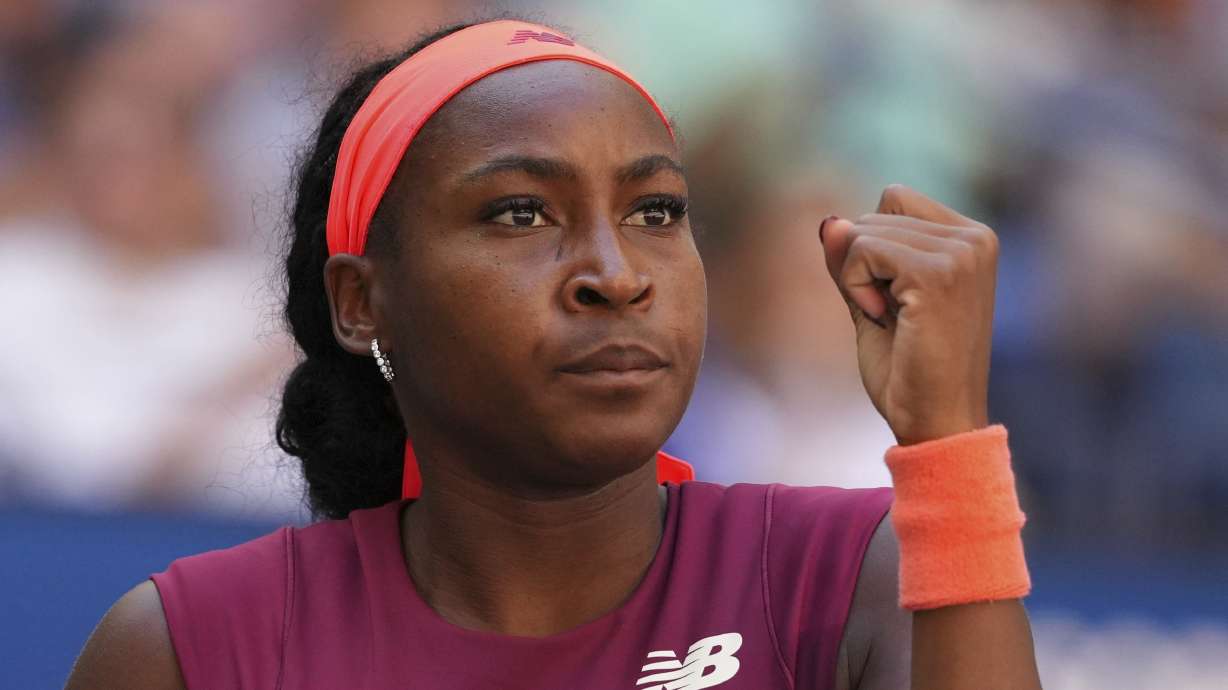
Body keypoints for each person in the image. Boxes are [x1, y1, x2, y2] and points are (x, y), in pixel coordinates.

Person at [65, 19, 1040, 689]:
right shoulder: (189, 649)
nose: (615, 274)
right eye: (521, 213)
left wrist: (948, 446)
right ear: (363, 303)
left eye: (654, 211)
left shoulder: (857, 570)